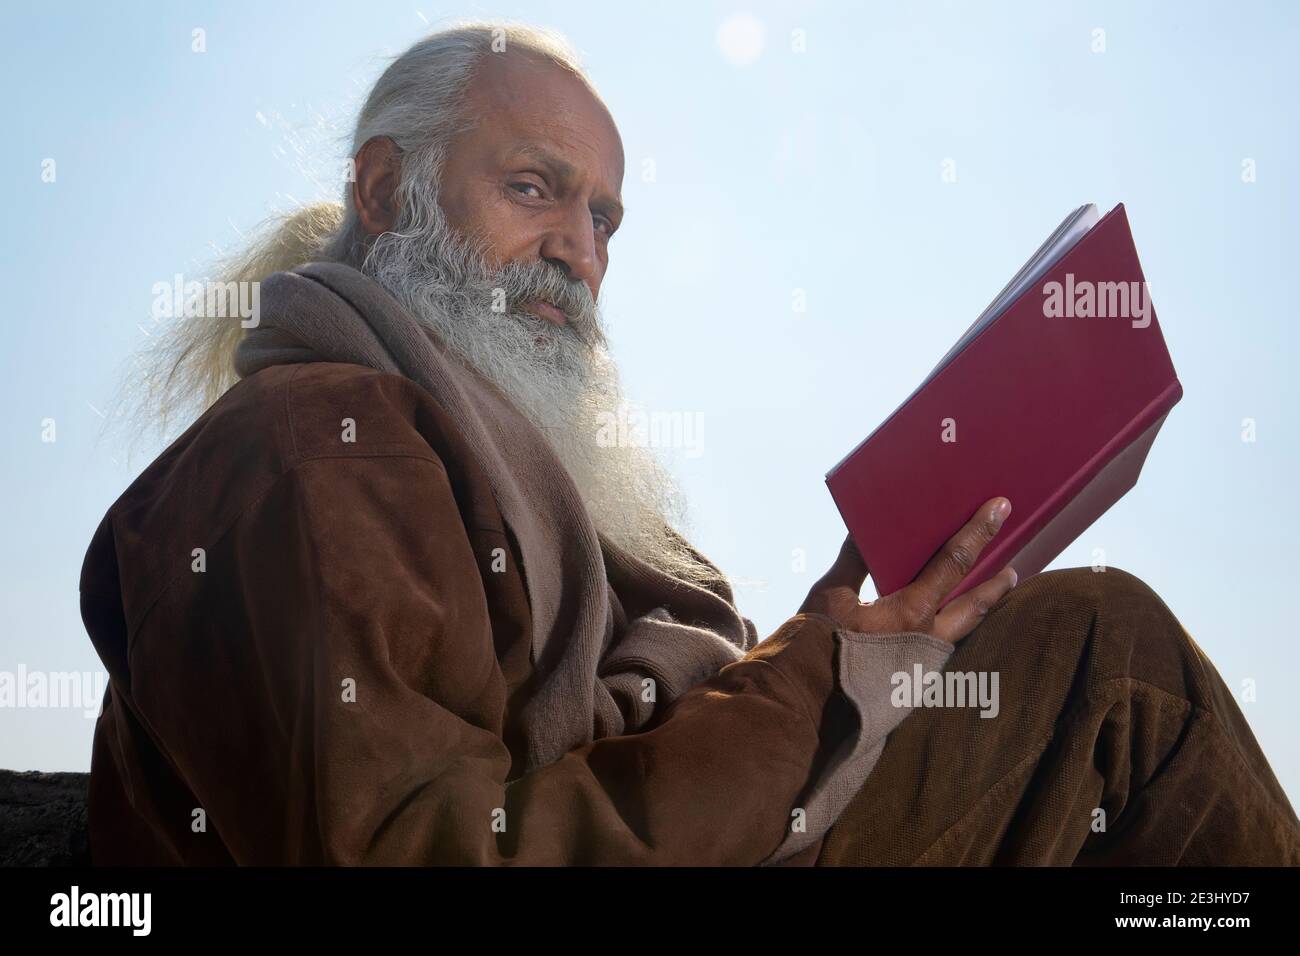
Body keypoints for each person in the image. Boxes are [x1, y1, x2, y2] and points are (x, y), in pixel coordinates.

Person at [79, 21, 1299, 866]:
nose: (582, 250)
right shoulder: (312, 449)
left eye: (603, 214)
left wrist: (834, 650)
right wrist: (813, 683)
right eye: (532, 189)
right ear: (388, 190)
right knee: (1111, 662)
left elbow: (644, 742)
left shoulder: (510, 456)